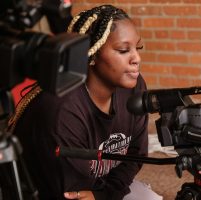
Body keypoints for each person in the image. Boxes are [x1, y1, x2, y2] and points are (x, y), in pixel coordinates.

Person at [10, 4, 163, 200]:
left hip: (102, 188)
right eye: (124, 50)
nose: (137, 58)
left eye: (138, 47)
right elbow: (70, 193)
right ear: (92, 55)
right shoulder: (62, 109)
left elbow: (136, 155)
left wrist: (105, 194)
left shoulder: (134, 87)